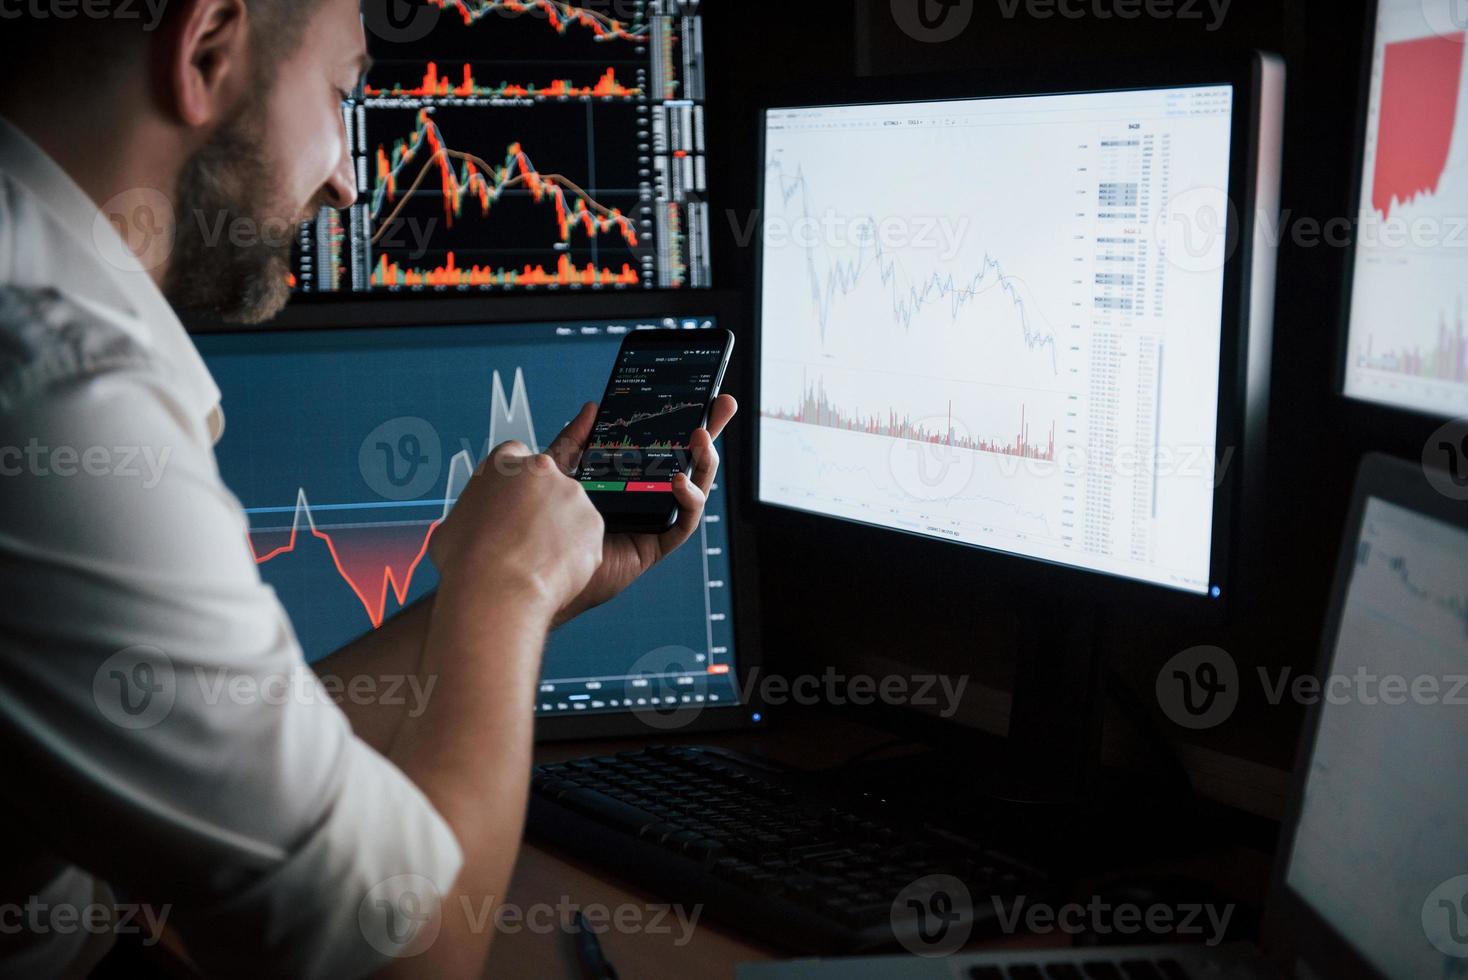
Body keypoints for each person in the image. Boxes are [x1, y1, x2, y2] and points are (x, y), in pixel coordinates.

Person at [0, 0, 737, 975]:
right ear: (208, 45)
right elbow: (407, 953)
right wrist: (504, 589)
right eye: (342, 92)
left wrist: (528, 584)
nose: (351, 182)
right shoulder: (56, 393)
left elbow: (242, 744)